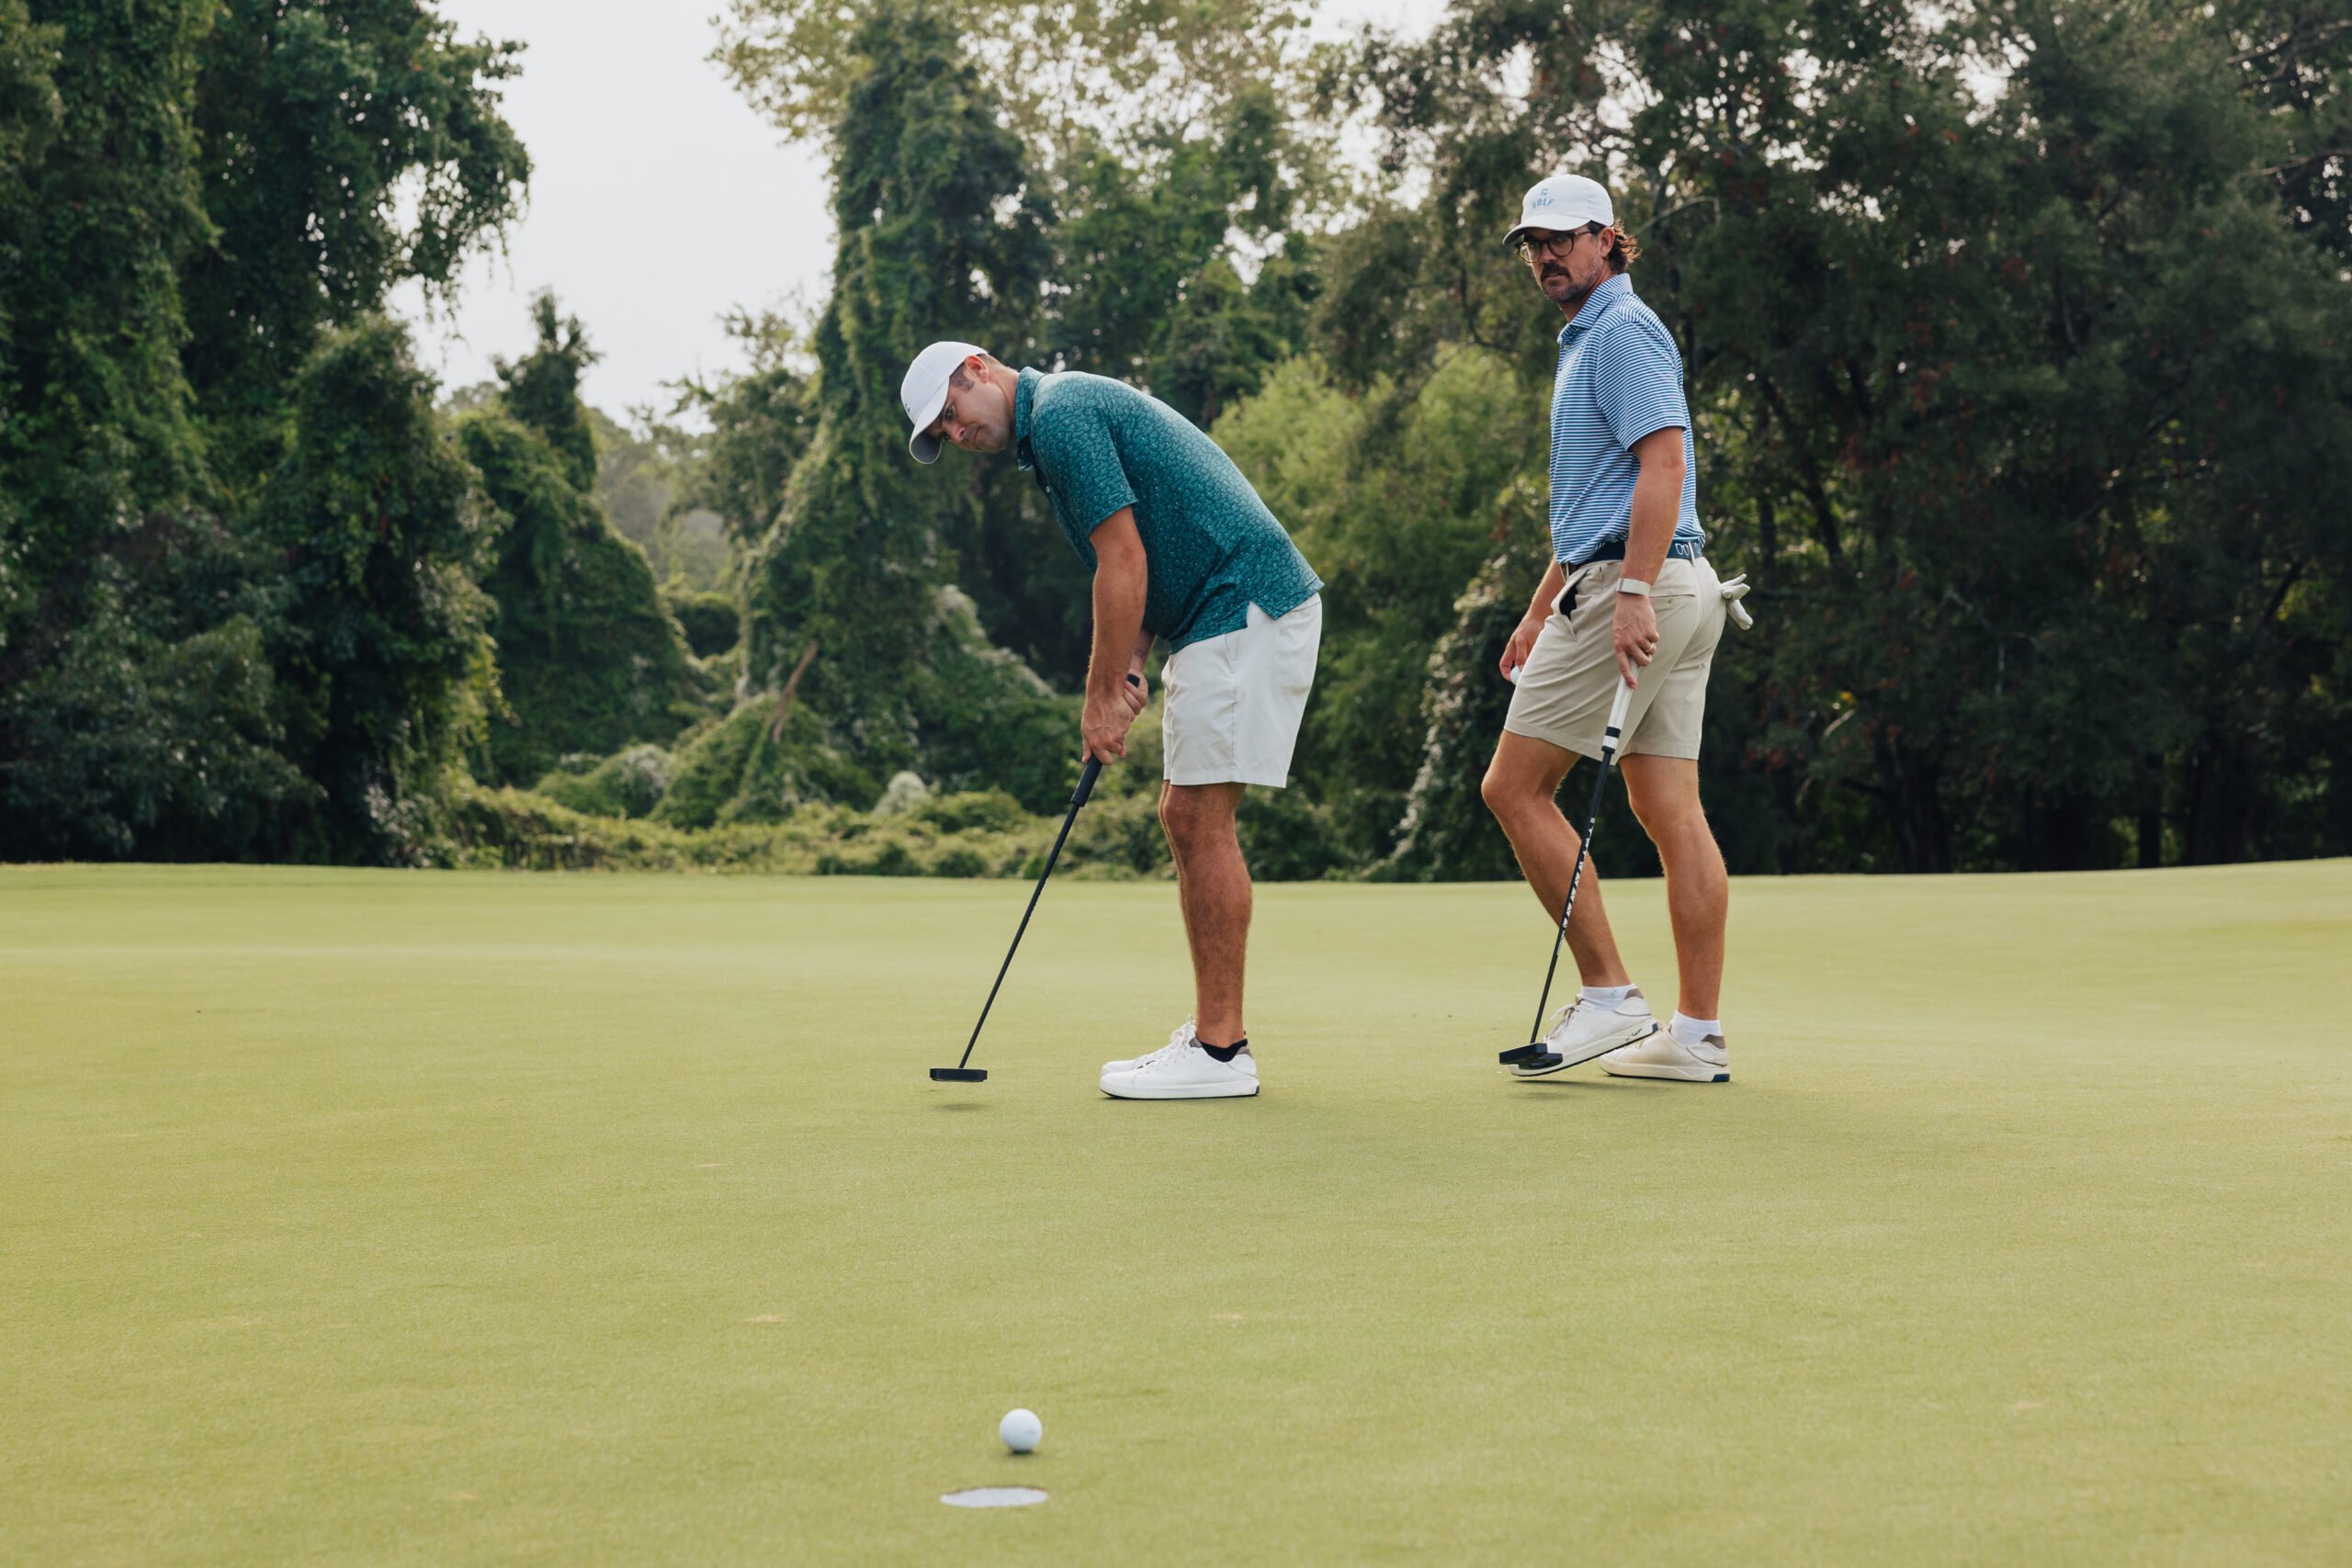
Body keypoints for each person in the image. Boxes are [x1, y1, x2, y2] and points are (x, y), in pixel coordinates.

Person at [899, 342, 1323, 1100]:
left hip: (1243, 603)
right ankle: (1214, 1037)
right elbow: (1146, 557)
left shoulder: (1060, 415)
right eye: (943, 435)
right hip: (1222, 610)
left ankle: (1223, 1053)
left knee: (1197, 817)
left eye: (951, 416)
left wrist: (1099, 697)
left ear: (978, 366)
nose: (957, 436)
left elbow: (1121, 562)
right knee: (1185, 813)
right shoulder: (1056, 423)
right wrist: (1128, 664)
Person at [1483, 175, 1744, 1085]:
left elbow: (1662, 464)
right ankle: (1697, 1036)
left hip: (1638, 584)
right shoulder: (1593, 336)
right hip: (1679, 585)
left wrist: (1629, 587)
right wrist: (1533, 608)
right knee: (1668, 808)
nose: (1547, 256)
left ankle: (1607, 998)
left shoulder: (1622, 330)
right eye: (1534, 244)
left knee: (1513, 790)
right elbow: (1596, 501)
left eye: (1563, 238)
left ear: (1606, 238)